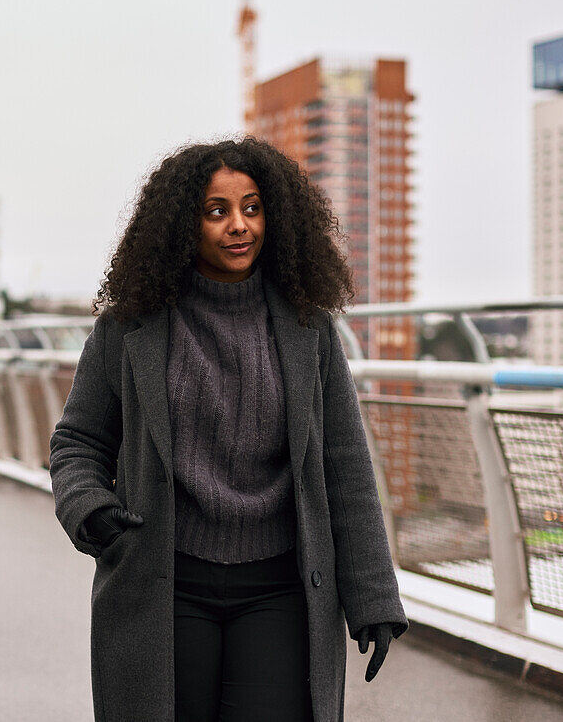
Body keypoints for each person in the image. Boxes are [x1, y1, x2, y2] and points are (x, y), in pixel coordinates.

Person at [49, 138, 407, 722]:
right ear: (181, 224)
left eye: (252, 207)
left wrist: (372, 596)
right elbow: (78, 442)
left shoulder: (307, 327)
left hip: (279, 589)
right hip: (163, 584)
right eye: (217, 211)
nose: (238, 226)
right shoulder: (130, 326)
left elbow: (345, 465)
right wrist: (88, 504)